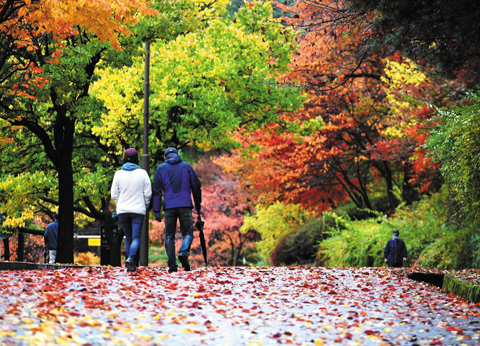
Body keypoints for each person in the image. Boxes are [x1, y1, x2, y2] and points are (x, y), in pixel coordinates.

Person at [152, 147, 202, 273]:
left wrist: (156, 210)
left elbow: (156, 191)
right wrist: (198, 204)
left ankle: (172, 266)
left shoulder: (160, 169)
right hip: (185, 205)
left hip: (169, 207)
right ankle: (183, 252)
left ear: (165, 157)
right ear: (177, 154)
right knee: (188, 233)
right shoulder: (187, 167)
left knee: (169, 236)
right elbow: (196, 186)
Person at [111, 148, 152, 272]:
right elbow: (148, 194)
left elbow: (114, 194)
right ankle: (130, 258)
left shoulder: (118, 174)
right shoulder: (142, 173)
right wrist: (144, 204)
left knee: (128, 237)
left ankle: (130, 263)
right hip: (137, 210)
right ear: (136, 159)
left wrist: (120, 204)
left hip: (123, 210)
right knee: (136, 237)